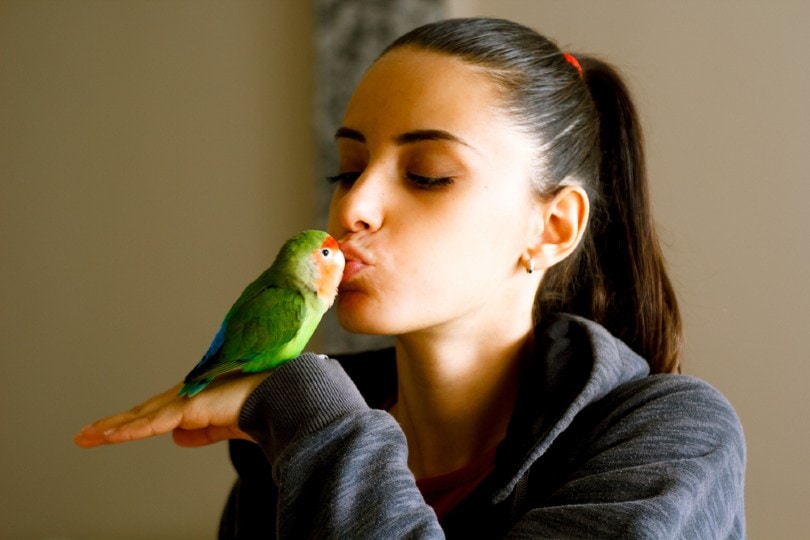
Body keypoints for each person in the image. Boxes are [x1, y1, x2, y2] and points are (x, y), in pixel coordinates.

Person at [75, 17, 746, 538]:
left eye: (428, 175)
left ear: (553, 229)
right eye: (347, 168)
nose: (352, 207)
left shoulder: (673, 439)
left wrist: (316, 424)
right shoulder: (280, 448)